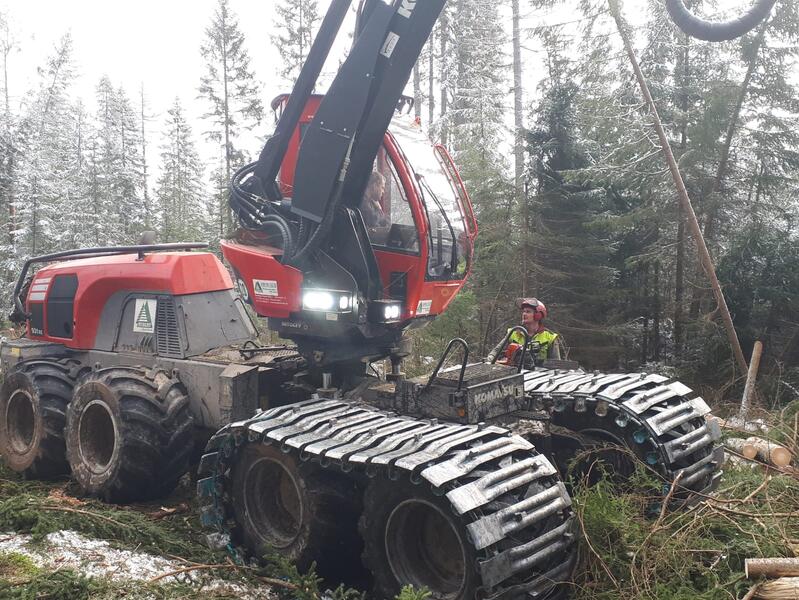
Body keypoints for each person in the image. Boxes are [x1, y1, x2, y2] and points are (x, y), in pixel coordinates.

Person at [487, 297, 562, 365]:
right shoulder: (513, 333)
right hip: (516, 376)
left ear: (538, 315)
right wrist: (489, 360)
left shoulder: (550, 338)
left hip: (540, 377)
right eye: (523, 311)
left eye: (528, 312)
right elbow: (495, 353)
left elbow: (557, 365)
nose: (524, 314)